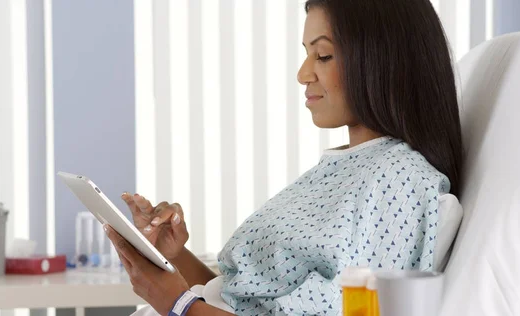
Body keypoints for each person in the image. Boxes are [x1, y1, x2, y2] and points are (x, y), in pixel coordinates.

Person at [104, 0, 464, 315]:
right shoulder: (345, 167)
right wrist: (176, 257)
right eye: (307, 54)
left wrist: (176, 304)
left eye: (322, 55)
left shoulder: (399, 180)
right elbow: (244, 300)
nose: (303, 74)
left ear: (381, 59)